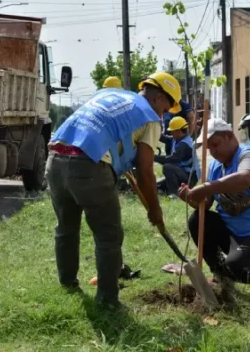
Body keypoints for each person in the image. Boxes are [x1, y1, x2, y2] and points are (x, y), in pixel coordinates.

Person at [47, 72, 181, 308]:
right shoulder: (149, 116)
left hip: (56, 159)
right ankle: (108, 300)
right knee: (109, 235)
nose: (164, 115)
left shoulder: (110, 94)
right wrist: (155, 209)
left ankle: (67, 285)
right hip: (89, 167)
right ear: (159, 97)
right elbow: (146, 170)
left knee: (66, 228)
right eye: (166, 109)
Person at [178, 117, 250, 296]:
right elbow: (205, 205)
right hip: (235, 236)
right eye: (209, 149)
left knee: (243, 269)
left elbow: (244, 179)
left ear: (230, 136)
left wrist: (206, 187)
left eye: (216, 145)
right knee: (198, 219)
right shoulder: (215, 166)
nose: (213, 152)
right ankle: (221, 278)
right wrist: (190, 197)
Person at [155, 116, 200, 198]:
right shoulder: (177, 138)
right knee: (156, 186)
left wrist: (153, 157)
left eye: (172, 131)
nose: (171, 134)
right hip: (182, 174)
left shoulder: (184, 145)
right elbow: (163, 138)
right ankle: (166, 190)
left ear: (179, 131)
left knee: (167, 167)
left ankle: (175, 194)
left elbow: (171, 159)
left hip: (190, 178)